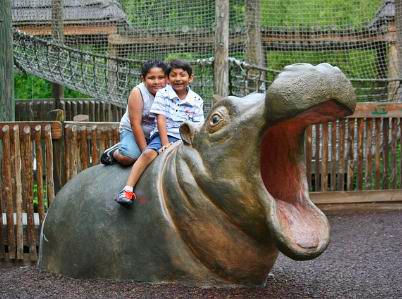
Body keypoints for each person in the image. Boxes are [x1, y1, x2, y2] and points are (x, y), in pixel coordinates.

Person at [116, 60, 204, 206]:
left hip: (183, 137)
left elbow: (197, 125)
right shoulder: (161, 94)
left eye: (182, 75)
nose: (178, 78)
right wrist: (164, 144)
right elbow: (159, 120)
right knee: (144, 155)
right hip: (160, 134)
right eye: (174, 75)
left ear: (190, 78)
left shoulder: (196, 100)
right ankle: (127, 189)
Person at [100, 60, 168, 166]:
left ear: (167, 78)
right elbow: (135, 124)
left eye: (161, 77)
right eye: (151, 78)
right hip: (132, 130)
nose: (156, 82)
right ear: (143, 78)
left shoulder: (169, 92)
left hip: (156, 133)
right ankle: (114, 152)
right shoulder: (138, 92)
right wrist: (145, 153)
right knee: (129, 158)